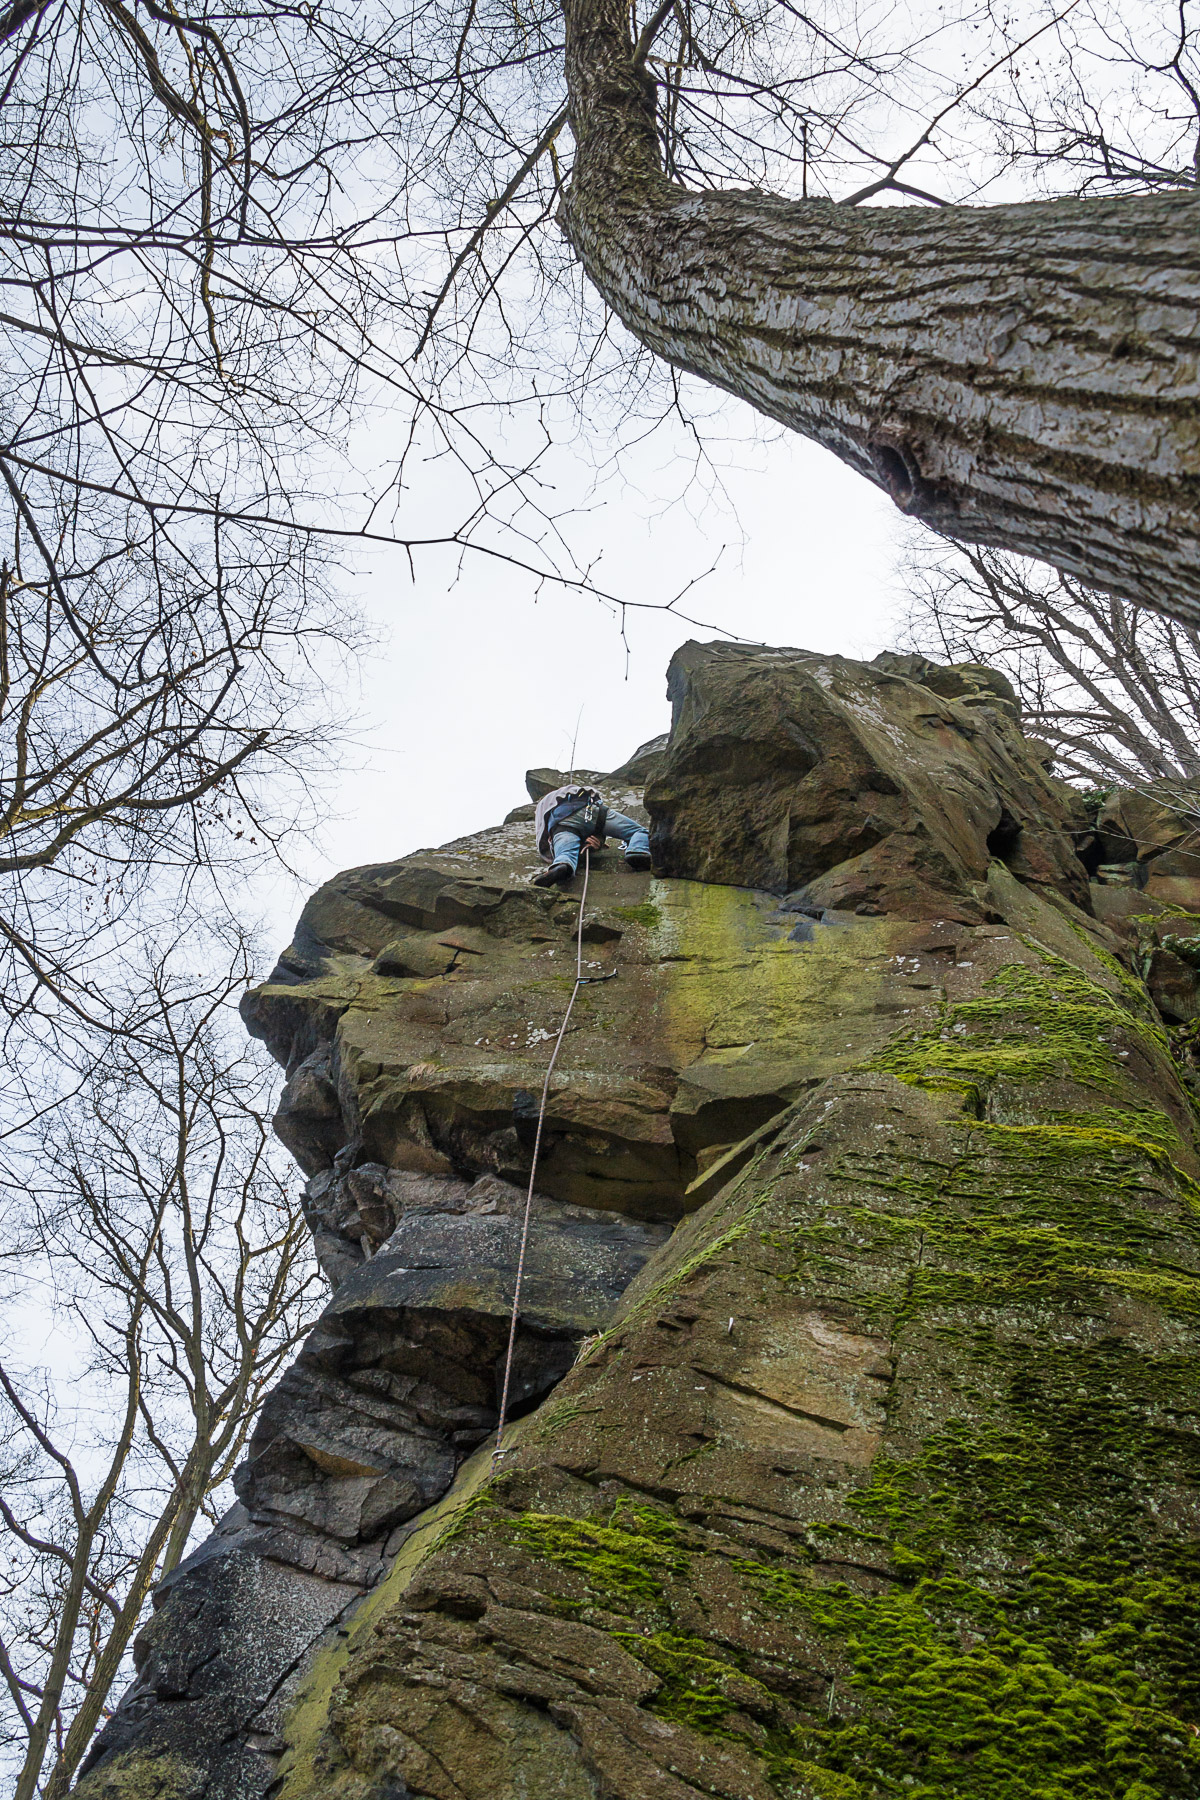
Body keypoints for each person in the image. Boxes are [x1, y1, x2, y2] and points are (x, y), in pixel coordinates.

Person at [531, 782, 652, 886]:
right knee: (638, 831)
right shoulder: (574, 790)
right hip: (591, 811)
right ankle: (638, 850)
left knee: (565, 854)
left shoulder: (543, 806)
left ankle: (562, 865)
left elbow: (543, 837)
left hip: (563, 825)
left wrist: (551, 853)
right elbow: (594, 797)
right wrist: (599, 838)